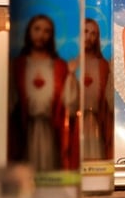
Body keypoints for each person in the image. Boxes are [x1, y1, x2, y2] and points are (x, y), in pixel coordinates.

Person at [8, 14, 78, 171]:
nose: (41, 35)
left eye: (46, 31)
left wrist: (71, 75)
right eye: (37, 29)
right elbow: (11, 101)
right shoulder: (18, 65)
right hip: (25, 130)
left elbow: (69, 104)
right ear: (29, 32)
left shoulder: (59, 66)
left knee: (50, 165)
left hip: (50, 129)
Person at [71, 18, 113, 160]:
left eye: (93, 33)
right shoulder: (70, 64)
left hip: (96, 124)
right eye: (85, 31)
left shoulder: (103, 65)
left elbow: (108, 102)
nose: (89, 37)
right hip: (74, 125)